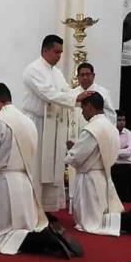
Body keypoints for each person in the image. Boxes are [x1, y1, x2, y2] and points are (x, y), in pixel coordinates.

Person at [0, 83, 83, 258]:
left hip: (4, 182)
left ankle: (44, 240)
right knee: (21, 226)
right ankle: (45, 238)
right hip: (24, 181)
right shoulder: (27, 121)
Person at [65, 93, 131, 237]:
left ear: (89, 106)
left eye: (83, 109)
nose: (82, 112)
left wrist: (70, 152)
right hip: (103, 174)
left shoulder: (92, 129)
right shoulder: (111, 128)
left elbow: (78, 156)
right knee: (99, 214)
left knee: (92, 221)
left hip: (90, 178)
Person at [22, 35, 91, 220]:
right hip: (38, 123)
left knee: (53, 166)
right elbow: (47, 93)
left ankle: (45, 207)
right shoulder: (33, 70)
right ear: (45, 50)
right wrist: (75, 99)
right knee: (37, 166)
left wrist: (80, 96)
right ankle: (32, 208)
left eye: (61, 52)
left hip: (54, 124)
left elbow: (66, 91)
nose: (59, 55)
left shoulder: (57, 73)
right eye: (56, 51)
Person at [69, 62, 116, 144]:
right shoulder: (72, 94)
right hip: (76, 134)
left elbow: (111, 115)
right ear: (77, 77)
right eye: (82, 75)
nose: (85, 77)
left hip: (97, 135)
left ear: (93, 76)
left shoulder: (103, 93)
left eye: (88, 74)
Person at [112, 110, 131, 202]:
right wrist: (122, 151)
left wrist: (115, 152)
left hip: (125, 166)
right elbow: (107, 150)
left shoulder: (129, 134)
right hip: (112, 166)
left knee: (124, 193)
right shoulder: (110, 133)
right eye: (119, 120)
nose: (122, 122)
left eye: (123, 120)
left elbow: (129, 152)